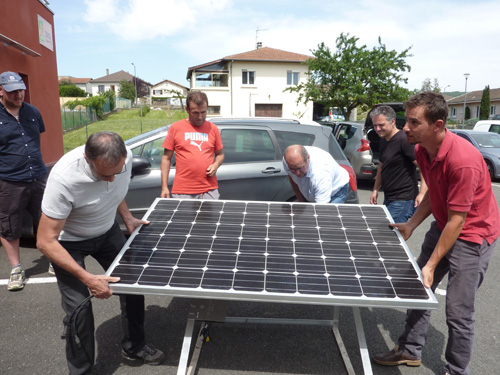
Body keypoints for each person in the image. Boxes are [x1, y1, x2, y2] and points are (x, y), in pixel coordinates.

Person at [372, 92, 500, 375]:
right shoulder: (421, 149)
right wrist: (412, 224)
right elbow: (434, 193)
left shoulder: (462, 160)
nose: (405, 127)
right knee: (418, 289)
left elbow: (459, 219)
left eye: (414, 122)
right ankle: (410, 351)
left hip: (473, 235)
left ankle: (456, 370)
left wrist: (430, 265)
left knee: (458, 310)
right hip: (444, 225)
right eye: (407, 120)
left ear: (438, 125)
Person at [36, 132, 165, 375]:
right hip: (68, 243)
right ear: (87, 159)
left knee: (132, 288)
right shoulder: (65, 178)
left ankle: (134, 346)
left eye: (117, 172)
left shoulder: (120, 162)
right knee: (79, 310)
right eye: (105, 174)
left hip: (107, 233)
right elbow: (45, 241)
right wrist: (88, 278)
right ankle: (82, 370)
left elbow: (113, 191)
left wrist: (127, 218)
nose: (111, 179)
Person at [0, 71, 48, 291]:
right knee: (10, 225)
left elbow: (37, 140)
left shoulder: (33, 112)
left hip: (38, 177)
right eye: (13, 91)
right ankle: (16, 268)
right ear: (1, 91)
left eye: (21, 89)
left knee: (47, 219)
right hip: (10, 181)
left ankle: (53, 261)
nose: (19, 94)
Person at [160, 90, 224, 199]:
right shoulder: (176, 128)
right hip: (183, 191)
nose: (200, 116)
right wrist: (164, 187)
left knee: (211, 217)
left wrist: (216, 165)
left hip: (209, 190)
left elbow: (220, 154)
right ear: (187, 110)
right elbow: (166, 158)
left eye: (203, 112)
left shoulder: (213, 129)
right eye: (195, 112)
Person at [369, 105, 427, 222]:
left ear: (393, 121)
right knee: (391, 235)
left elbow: (424, 167)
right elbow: (382, 166)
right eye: (375, 125)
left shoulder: (404, 140)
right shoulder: (383, 140)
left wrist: (422, 193)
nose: (378, 129)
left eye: (381, 125)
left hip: (403, 199)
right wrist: (375, 189)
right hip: (389, 197)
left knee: (392, 236)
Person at [283, 145, 350, 203]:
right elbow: (292, 177)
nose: (297, 173)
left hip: (335, 190)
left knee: (327, 215)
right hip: (314, 189)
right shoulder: (289, 161)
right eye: (293, 170)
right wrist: (301, 201)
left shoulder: (321, 173)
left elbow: (321, 208)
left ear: (308, 158)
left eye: (300, 168)